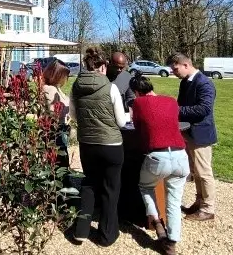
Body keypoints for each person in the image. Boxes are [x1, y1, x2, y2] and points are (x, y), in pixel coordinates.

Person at [70, 48, 129, 247]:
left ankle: (81, 231)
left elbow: (74, 115)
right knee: (110, 189)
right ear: (103, 66)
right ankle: (106, 235)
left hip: (87, 144)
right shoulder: (111, 87)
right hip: (111, 145)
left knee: (89, 184)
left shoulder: (75, 86)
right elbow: (121, 122)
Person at [130, 76, 189, 255]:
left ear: (136, 92)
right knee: (174, 200)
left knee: (145, 186)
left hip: (157, 156)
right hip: (180, 155)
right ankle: (172, 241)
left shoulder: (138, 103)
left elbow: (137, 126)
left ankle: (156, 221)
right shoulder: (171, 101)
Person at [168, 53, 217, 221]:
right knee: (195, 171)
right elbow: (181, 104)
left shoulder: (204, 83)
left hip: (201, 134)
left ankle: (208, 208)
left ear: (186, 65)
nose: (174, 72)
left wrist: (175, 110)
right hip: (188, 133)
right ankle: (199, 202)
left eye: (175, 69)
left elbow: (203, 109)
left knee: (204, 172)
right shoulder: (185, 82)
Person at [40, 60, 71, 168]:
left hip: (61, 128)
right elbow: (53, 112)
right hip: (56, 130)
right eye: (65, 75)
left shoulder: (56, 88)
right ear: (58, 75)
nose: (66, 79)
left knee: (62, 159)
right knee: (60, 161)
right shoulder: (50, 89)